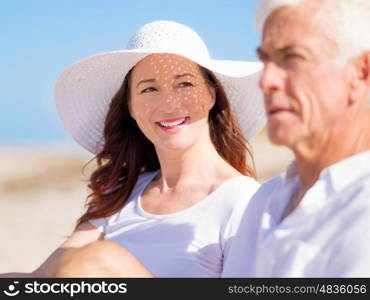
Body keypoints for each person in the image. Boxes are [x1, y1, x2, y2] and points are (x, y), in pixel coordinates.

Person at [1, 20, 265, 277]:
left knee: (98, 260)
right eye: (149, 89)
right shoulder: (124, 194)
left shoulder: (243, 201)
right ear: (131, 107)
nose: (169, 104)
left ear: (211, 94)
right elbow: (43, 280)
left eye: (184, 83)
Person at [222, 0, 370, 277]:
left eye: (292, 58)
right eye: (265, 59)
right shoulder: (265, 201)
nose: (266, 81)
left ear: (359, 73)